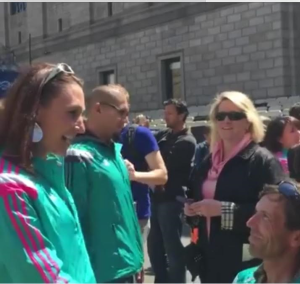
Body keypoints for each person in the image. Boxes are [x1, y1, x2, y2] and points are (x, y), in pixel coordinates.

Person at [0, 63, 95, 282]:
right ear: (34, 113)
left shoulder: (48, 173)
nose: (81, 127)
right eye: (72, 113)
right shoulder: (9, 188)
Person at [184, 91, 285, 283]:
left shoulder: (262, 161)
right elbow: (199, 200)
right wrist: (192, 210)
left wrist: (223, 210)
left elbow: (277, 213)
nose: (226, 121)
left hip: (245, 258)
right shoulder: (208, 161)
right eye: (220, 116)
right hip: (209, 255)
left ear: (248, 121)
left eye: (235, 116)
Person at [65, 84, 143, 283]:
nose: (126, 119)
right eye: (121, 112)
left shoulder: (114, 152)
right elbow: (74, 221)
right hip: (102, 272)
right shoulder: (78, 155)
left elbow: (124, 213)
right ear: (98, 108)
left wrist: (137, 259)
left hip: (126, 266)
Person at [148, 98, 196, 283]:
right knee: (154, 246)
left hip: (172, 199)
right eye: (165, 112)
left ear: (181, 115)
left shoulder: (187, 141)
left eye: (169, 113)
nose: (165, 116)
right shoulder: (163, 135)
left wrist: (151, 161)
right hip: (157, 198)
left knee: (172, 247)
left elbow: (165, 165)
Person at [234, 181, 300, 283]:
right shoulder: (242, 279)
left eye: (266, 217)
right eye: (256, 212)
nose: (250, 223)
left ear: (296, 238)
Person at [119, 122, 167, 243]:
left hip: (135, 215)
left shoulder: (139, 134)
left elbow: (162, 175)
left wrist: (134, 176)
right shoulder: (90, 136)